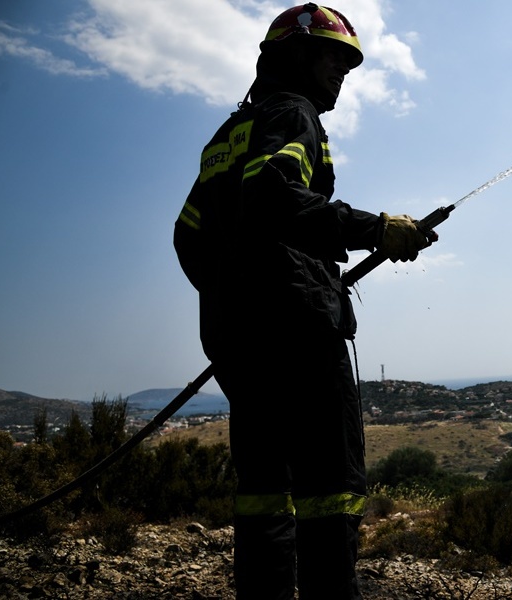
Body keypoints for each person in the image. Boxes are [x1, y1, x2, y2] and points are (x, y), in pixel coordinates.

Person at [173, 4, 433, 598]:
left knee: (263, 489)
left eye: (348, 63)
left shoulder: (224, 138)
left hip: (239, 341)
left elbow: (187, 235)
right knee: (328, 491)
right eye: (332, 58)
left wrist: (231, 300)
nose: (342, 72)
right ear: (295, 57)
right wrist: (376, 229)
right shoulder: (294, 114)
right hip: (300, 336)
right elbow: (271, 195)